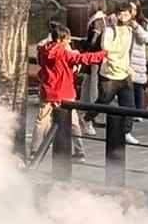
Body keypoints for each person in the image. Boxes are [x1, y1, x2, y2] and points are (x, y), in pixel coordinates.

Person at [32, 23, 109, 160]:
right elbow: (83, 59)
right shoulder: (65, 54)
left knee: (41, 121)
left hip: (48, 92)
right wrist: (103, 54)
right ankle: (79, 151)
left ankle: (35, 150)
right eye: (67, 39)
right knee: (73, 123)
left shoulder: (43, 50)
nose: (69, 41)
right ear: (60, 39)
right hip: (65, 93)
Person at [90, 2, 142, 143]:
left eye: (125, 14)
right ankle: (87, 119)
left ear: (130, 14)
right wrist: (122, 67)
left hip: (124, 74)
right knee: (103, 101)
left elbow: (127, 51)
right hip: (109, 74)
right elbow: (106, 52)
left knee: (128, 104)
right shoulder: (108, 30)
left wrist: (127, 67)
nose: (122, 17)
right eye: (120, 14)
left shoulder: (129, 30)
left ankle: (127, 132)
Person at [78, 0, 108, 135]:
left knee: (92, 90)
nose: (87, 6)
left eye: (89, 3)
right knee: (87, 87)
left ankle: (89, 118)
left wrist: (82, 43)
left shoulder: (97, 21)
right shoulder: (103, 19)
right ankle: (84, 114)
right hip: (94, 60)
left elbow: (94, 43)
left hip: (95, 60)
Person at [127, 0, 148, 125]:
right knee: (127, 87)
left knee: (138, 86)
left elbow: (146, 38)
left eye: (134, 9)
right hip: (126, 59)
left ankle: (139, 112)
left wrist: (137, 28)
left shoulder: (144, 23)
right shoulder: (122, 21)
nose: (132, 12)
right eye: (130, 9)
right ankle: (129, 112)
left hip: (138, 59)